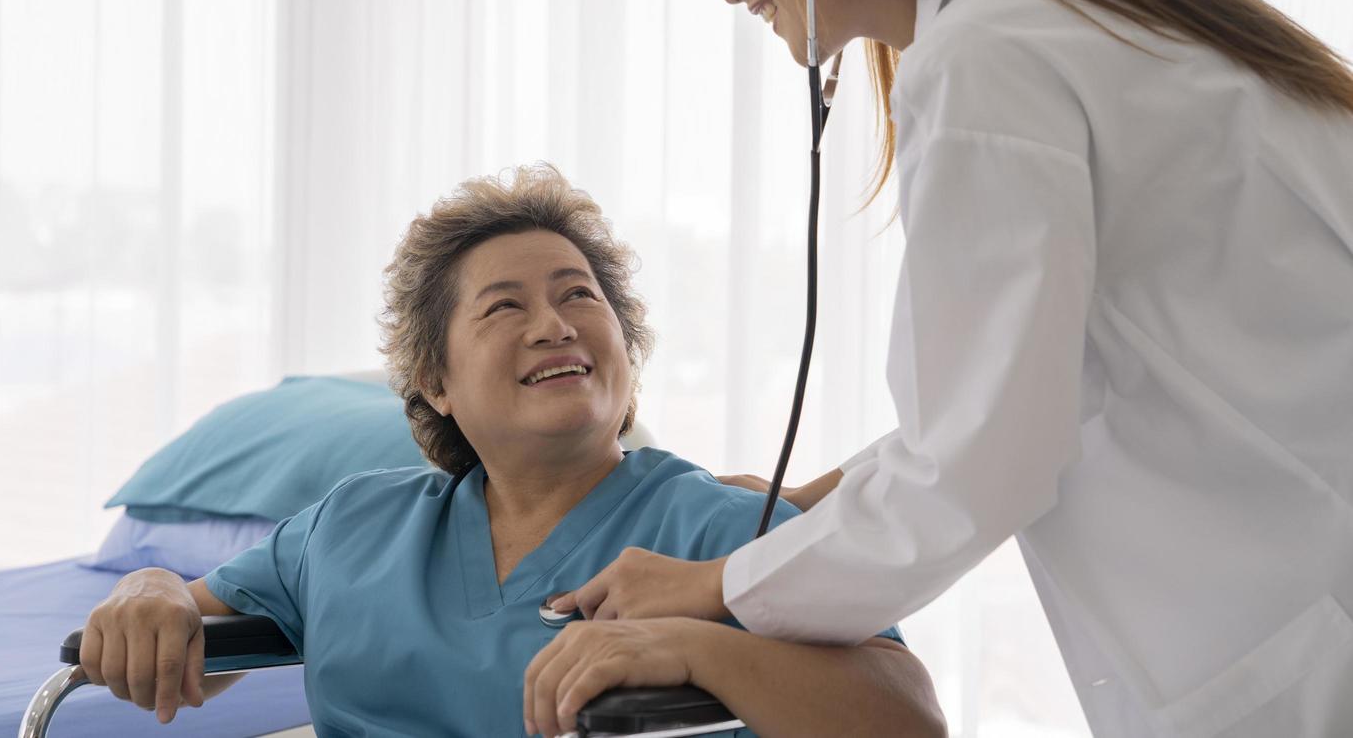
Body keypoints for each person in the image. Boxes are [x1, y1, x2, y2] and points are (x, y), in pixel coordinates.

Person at [535, 0, 1353, 736]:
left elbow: (984, 461)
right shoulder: (1072, 11)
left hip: (1294, 614)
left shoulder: (984, 60)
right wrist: (819, 498)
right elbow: (1044, 385)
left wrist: (718, 589)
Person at [79, 165, 944, 738]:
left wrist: (695, 648)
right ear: (437, 382)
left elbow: (909, 716)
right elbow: (184, 623)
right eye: (503, 308)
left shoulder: (721, 526)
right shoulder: (353, 524)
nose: (556, 323)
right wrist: (148, 589)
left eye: (580, 295)